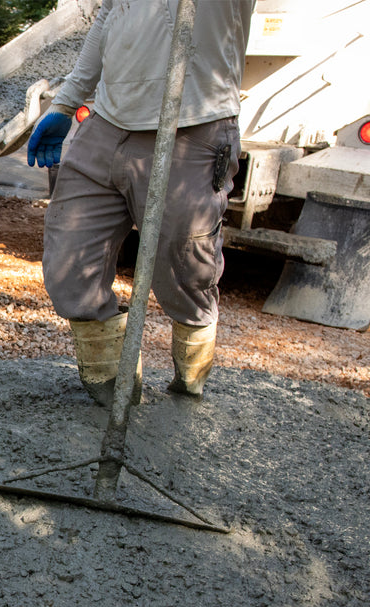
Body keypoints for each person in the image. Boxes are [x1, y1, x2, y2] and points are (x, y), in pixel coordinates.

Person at [26, 0, 256, 404]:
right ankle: (113, 391)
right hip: (107, 123)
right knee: (69, 261)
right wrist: (66, 102)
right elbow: (108, 16)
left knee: (184, 267)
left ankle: (189, 378)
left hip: (193, 125)